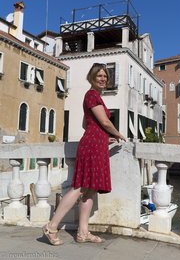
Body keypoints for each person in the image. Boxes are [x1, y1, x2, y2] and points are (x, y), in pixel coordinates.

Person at [43, 63, 126, 245]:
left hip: (97, 144)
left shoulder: (95, 97)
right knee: (80, 187)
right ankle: (51, 226)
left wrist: (104, 138)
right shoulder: (91, 95)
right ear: (92, 77)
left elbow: (85, 124)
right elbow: (104, 122)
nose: (103, 79)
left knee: (91, 190)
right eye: (99, 76)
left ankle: (82, 233)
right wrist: (117, 133)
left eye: (105, 76)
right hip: (91, 147)